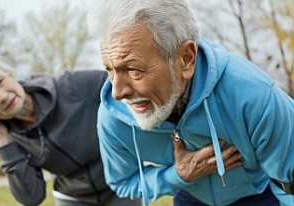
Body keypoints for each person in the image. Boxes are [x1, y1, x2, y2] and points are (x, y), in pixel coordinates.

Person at [86, 0, 294, 205]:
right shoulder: (112, 117)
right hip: (191, 197)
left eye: (133, 69)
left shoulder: (253, 95)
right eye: (109, 70)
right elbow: (123, 183)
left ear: (186, 59)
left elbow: (290, 181)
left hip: (260, 195)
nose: (117, 93)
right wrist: (178, 175)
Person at [0, 55, 142, 206]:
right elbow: (32, 197)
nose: (1, 96)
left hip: (120, 187)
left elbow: (130, 91)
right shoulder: (12, 138)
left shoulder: (73, 86)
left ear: (9, 74)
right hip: (71, 199)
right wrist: (2, 141)